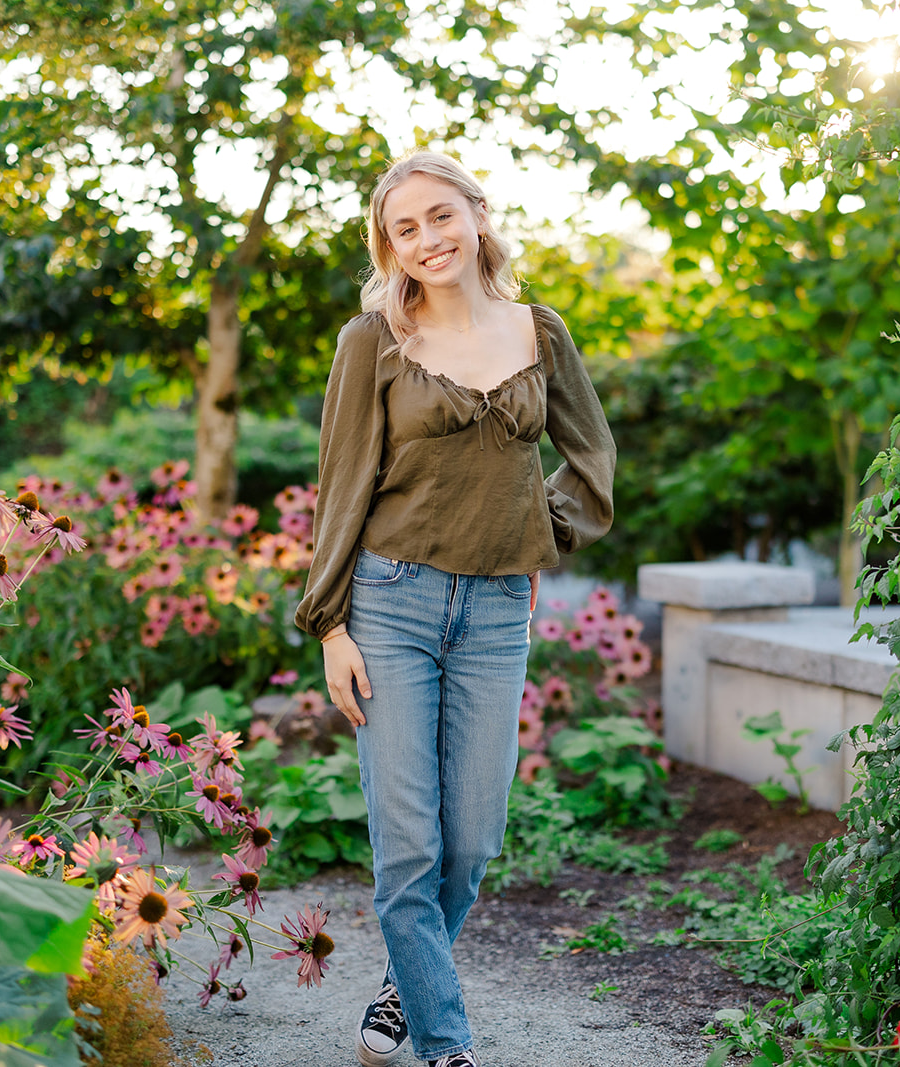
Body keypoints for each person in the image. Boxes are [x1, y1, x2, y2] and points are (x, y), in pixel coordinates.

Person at [293, 150, 615, 1067]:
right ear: (388, 247)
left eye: (441, 216)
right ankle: (444, 1041)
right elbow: (341, 483)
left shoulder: (539, 332)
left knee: (470, 840)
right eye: (405, 228)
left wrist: (536, 531)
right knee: (408, 844)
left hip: (497, 612)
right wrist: (332, 625)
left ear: (477, 215)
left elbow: (591, 460)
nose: (427, 239)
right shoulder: (374, 340)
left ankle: (403, 981)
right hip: (390, 603)